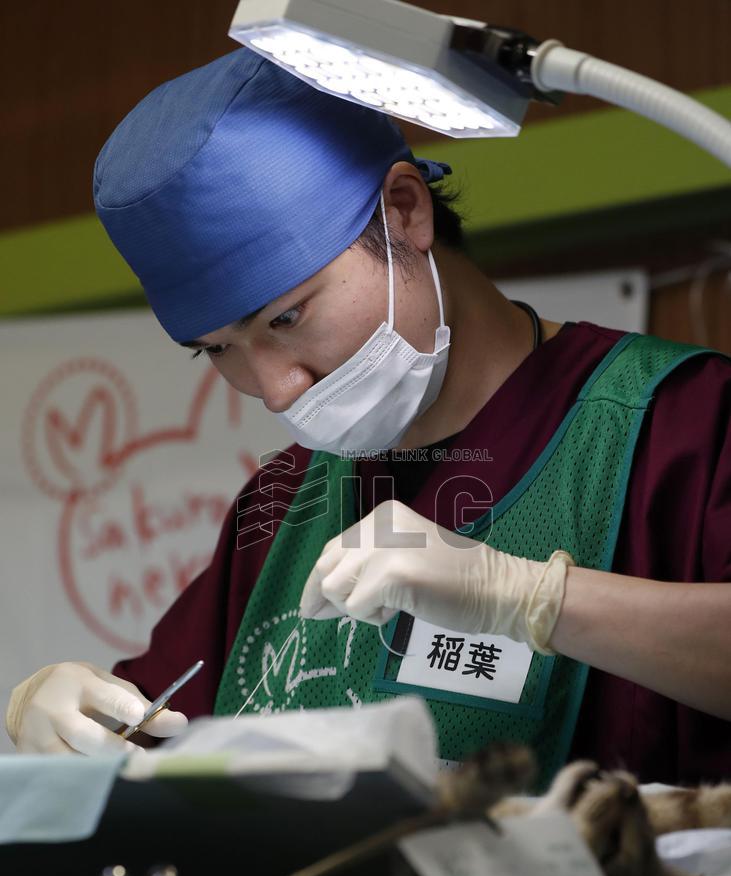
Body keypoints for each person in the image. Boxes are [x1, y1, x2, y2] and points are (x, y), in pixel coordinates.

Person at [6, 47, 731, 791]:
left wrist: (531, 599)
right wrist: (73, 722)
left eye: (287, 317)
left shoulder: (671, 421)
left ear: (404, 211)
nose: (277, 391)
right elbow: (161, 750)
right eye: (216, 350)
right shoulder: (284, 501)